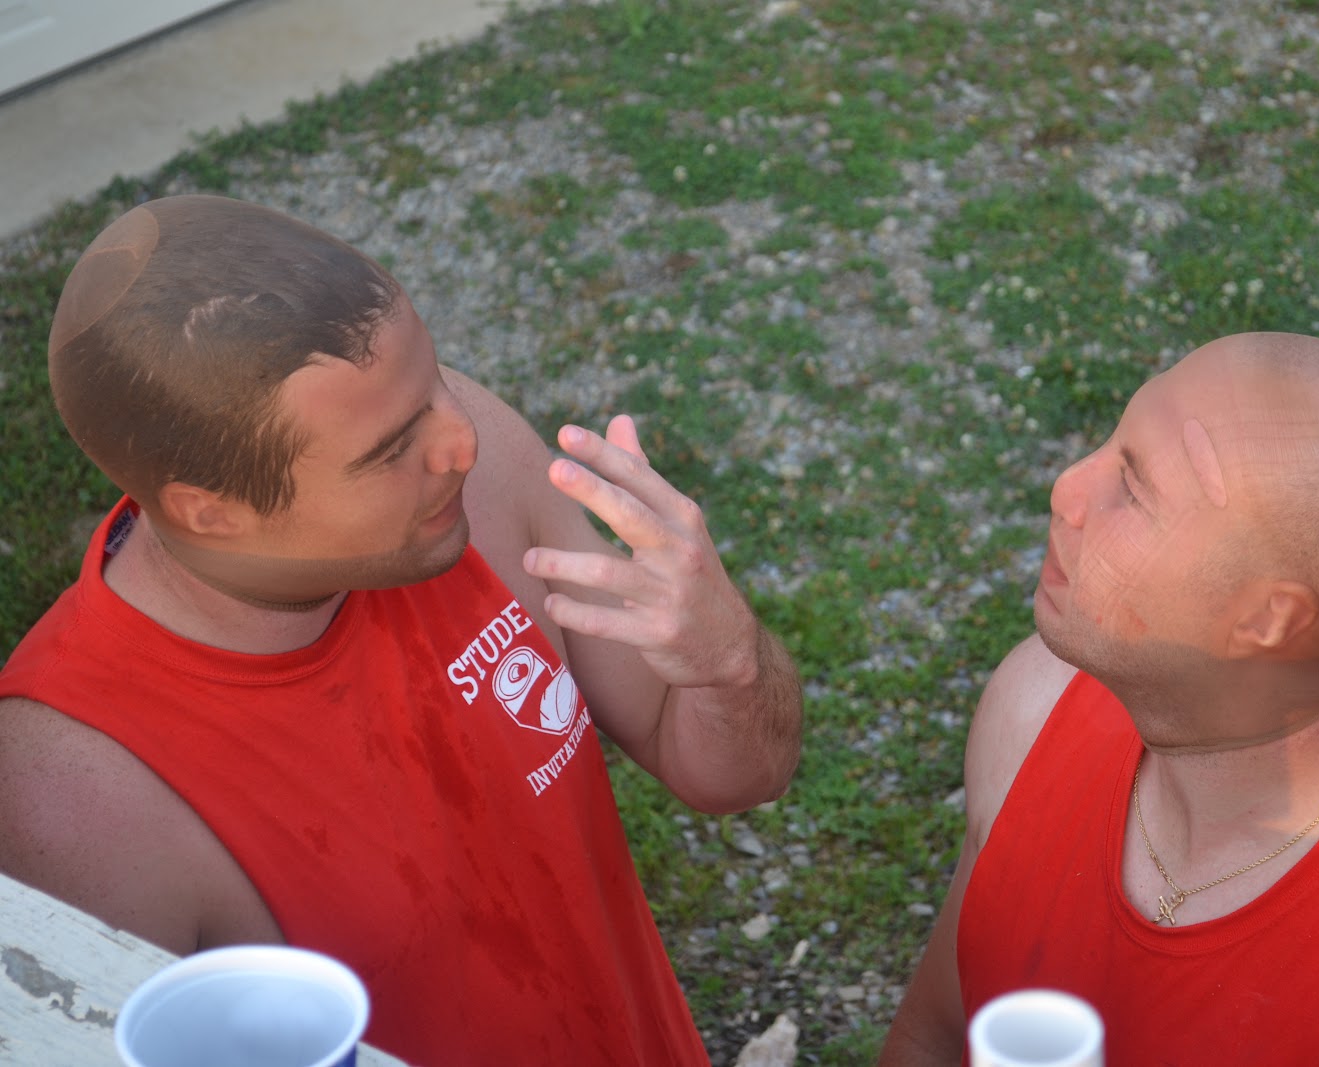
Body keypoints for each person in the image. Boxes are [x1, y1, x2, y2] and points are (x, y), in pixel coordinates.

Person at [0, 195, 802, 1066]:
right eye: (389, 450)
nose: (462, 439)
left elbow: (735, 774)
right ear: (211, 511)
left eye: (435, 382)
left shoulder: (464, 479)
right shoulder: (72, 800)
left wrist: (727, 662)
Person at [879, 332, 1319, 1066]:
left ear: (1265, 620)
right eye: (1113, 441)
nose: (1066, 488)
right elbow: (934, 1037)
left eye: (1135, 490)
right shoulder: (1036, 709)